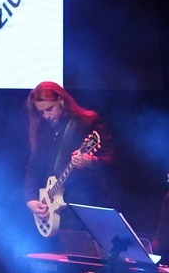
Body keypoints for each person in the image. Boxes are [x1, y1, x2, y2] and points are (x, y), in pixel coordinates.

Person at [23, 81, 111, 235]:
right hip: (53, 207)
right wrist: (31, 198)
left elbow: (110, 160)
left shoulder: (88, 122)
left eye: (49, 109)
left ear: (61, 100)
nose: (46, 116)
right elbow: (34, 166)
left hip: (83, 205)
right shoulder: (43, 129)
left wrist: (91, 162)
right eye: (41, 112)